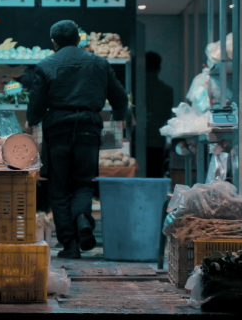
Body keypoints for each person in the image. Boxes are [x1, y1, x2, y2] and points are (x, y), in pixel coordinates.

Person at [27, 20, 128, 259]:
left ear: (53, 42)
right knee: (83, 183)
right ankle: (83, 218)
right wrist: (116, 122)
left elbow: (35, 108)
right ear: (79, 39)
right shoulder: (100, 64)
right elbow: (120, 99)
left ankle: (70, 245)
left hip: (57, 133)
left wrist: (33, 122)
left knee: (59, 188)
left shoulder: (45, 65)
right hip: (88, 130)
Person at [145, 51, 174, 178]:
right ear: (159, 68)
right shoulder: (167, 91)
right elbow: (167, 117)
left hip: (137, 139)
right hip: (157, 140)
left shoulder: (135, 88)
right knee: (155, 175)